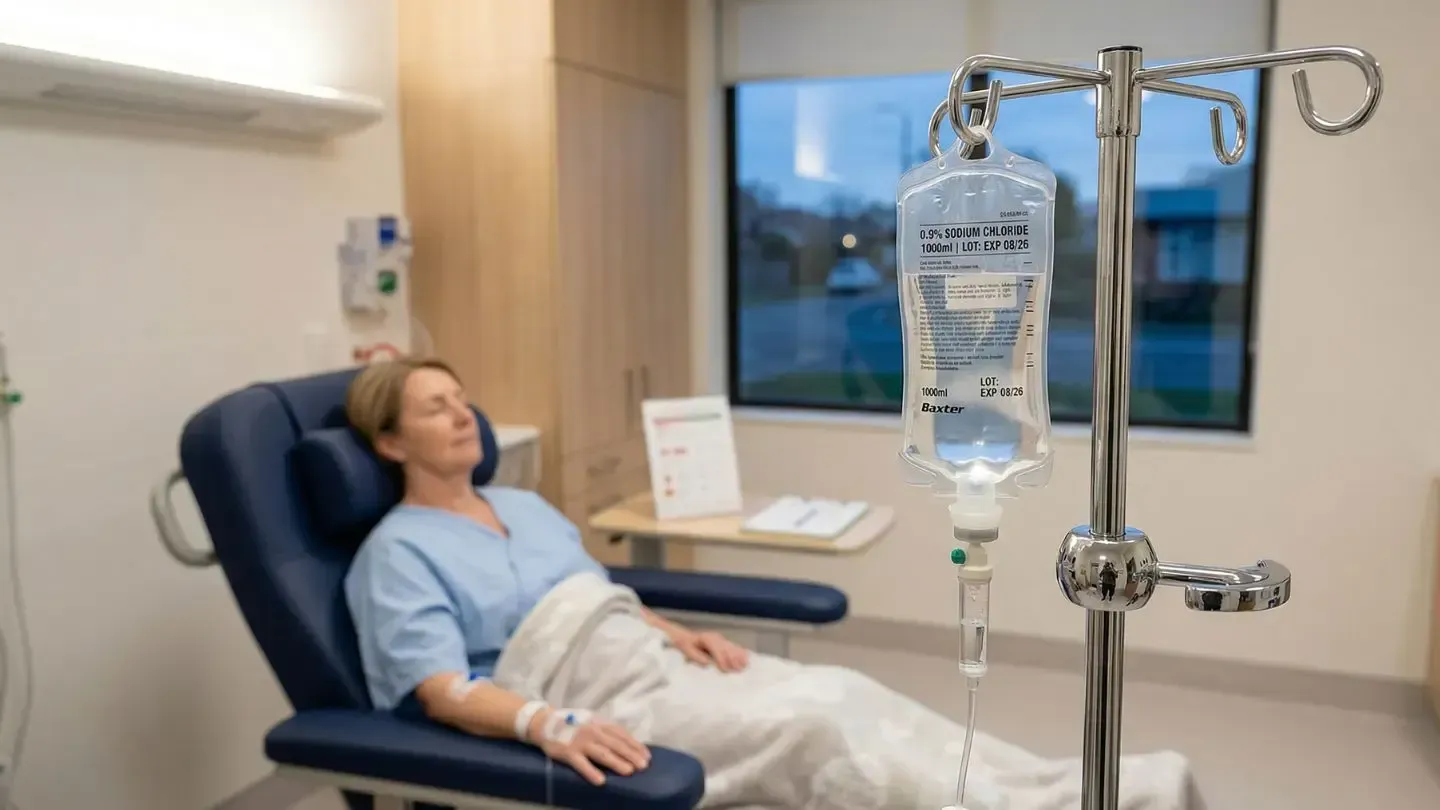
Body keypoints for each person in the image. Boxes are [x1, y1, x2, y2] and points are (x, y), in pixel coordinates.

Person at [342, 357, 1193, 809]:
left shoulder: (523, 504)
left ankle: (1082, 793)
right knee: (813, 726)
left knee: (842, 687)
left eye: (462, 399)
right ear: (389, 443)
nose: (464, 415)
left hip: (651, 659)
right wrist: (548, 722)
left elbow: (594, 592)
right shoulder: (398, 552)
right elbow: (443, 689)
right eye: (435, 407)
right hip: (587, 695)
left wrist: (678, 633)